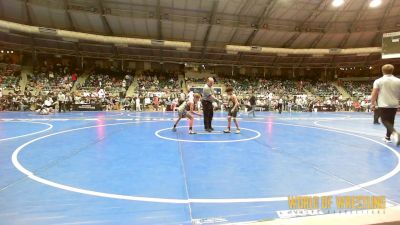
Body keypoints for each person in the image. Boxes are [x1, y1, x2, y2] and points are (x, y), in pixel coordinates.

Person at [371, 64, 400, 146]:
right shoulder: (398, 80)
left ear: (382, 71)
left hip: (383, 104)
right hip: (394, 104)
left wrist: (372, 103)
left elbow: (374, 93)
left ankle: (395, 134)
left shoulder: (378, 81)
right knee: (391, 121)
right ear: (392, 70)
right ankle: (387, 138)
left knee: (384, 120)